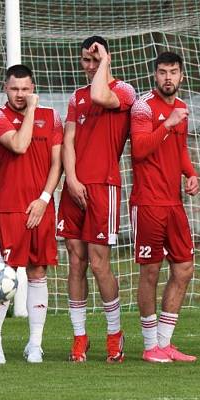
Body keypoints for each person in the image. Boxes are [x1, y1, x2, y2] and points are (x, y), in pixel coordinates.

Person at [58, 35, 135, 363]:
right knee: (76, 260)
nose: (89, 66)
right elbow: (69, 140)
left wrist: (105, 60)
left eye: (95, 60)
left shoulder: (123, 91)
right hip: (74, 185)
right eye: (86, 60)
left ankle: (115, 334)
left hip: (104, 186)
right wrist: (71, 179)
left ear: (106, 59)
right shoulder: (76, 98)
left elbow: (100, 93)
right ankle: (79, 338)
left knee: (100, 262)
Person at [0, 64, 63, 364]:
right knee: (3, 276)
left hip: (42, 207)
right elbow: (19, 145)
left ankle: (35, 344)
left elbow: (57, 163)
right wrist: (31, 110)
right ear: (5, 88)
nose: (20, 94)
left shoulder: (52, 117)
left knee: (38, 272)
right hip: (10, 207)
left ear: (33, 87)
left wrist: (44, 199)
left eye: (26, 89)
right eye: (15, 89)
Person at [129, 51, 200, 363]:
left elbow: (180, 148)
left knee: (184, 267)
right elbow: (140, 150)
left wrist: (191, 173)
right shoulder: (143, 107)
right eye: (162, 72)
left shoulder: (182, 108)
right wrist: (168, 124)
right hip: (148, 202)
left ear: (181, 75)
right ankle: (148, 346)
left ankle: (165, 342)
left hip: (174, 202)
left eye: (173, 72)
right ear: (154, 75)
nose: (168, 77)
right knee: (150, 271)